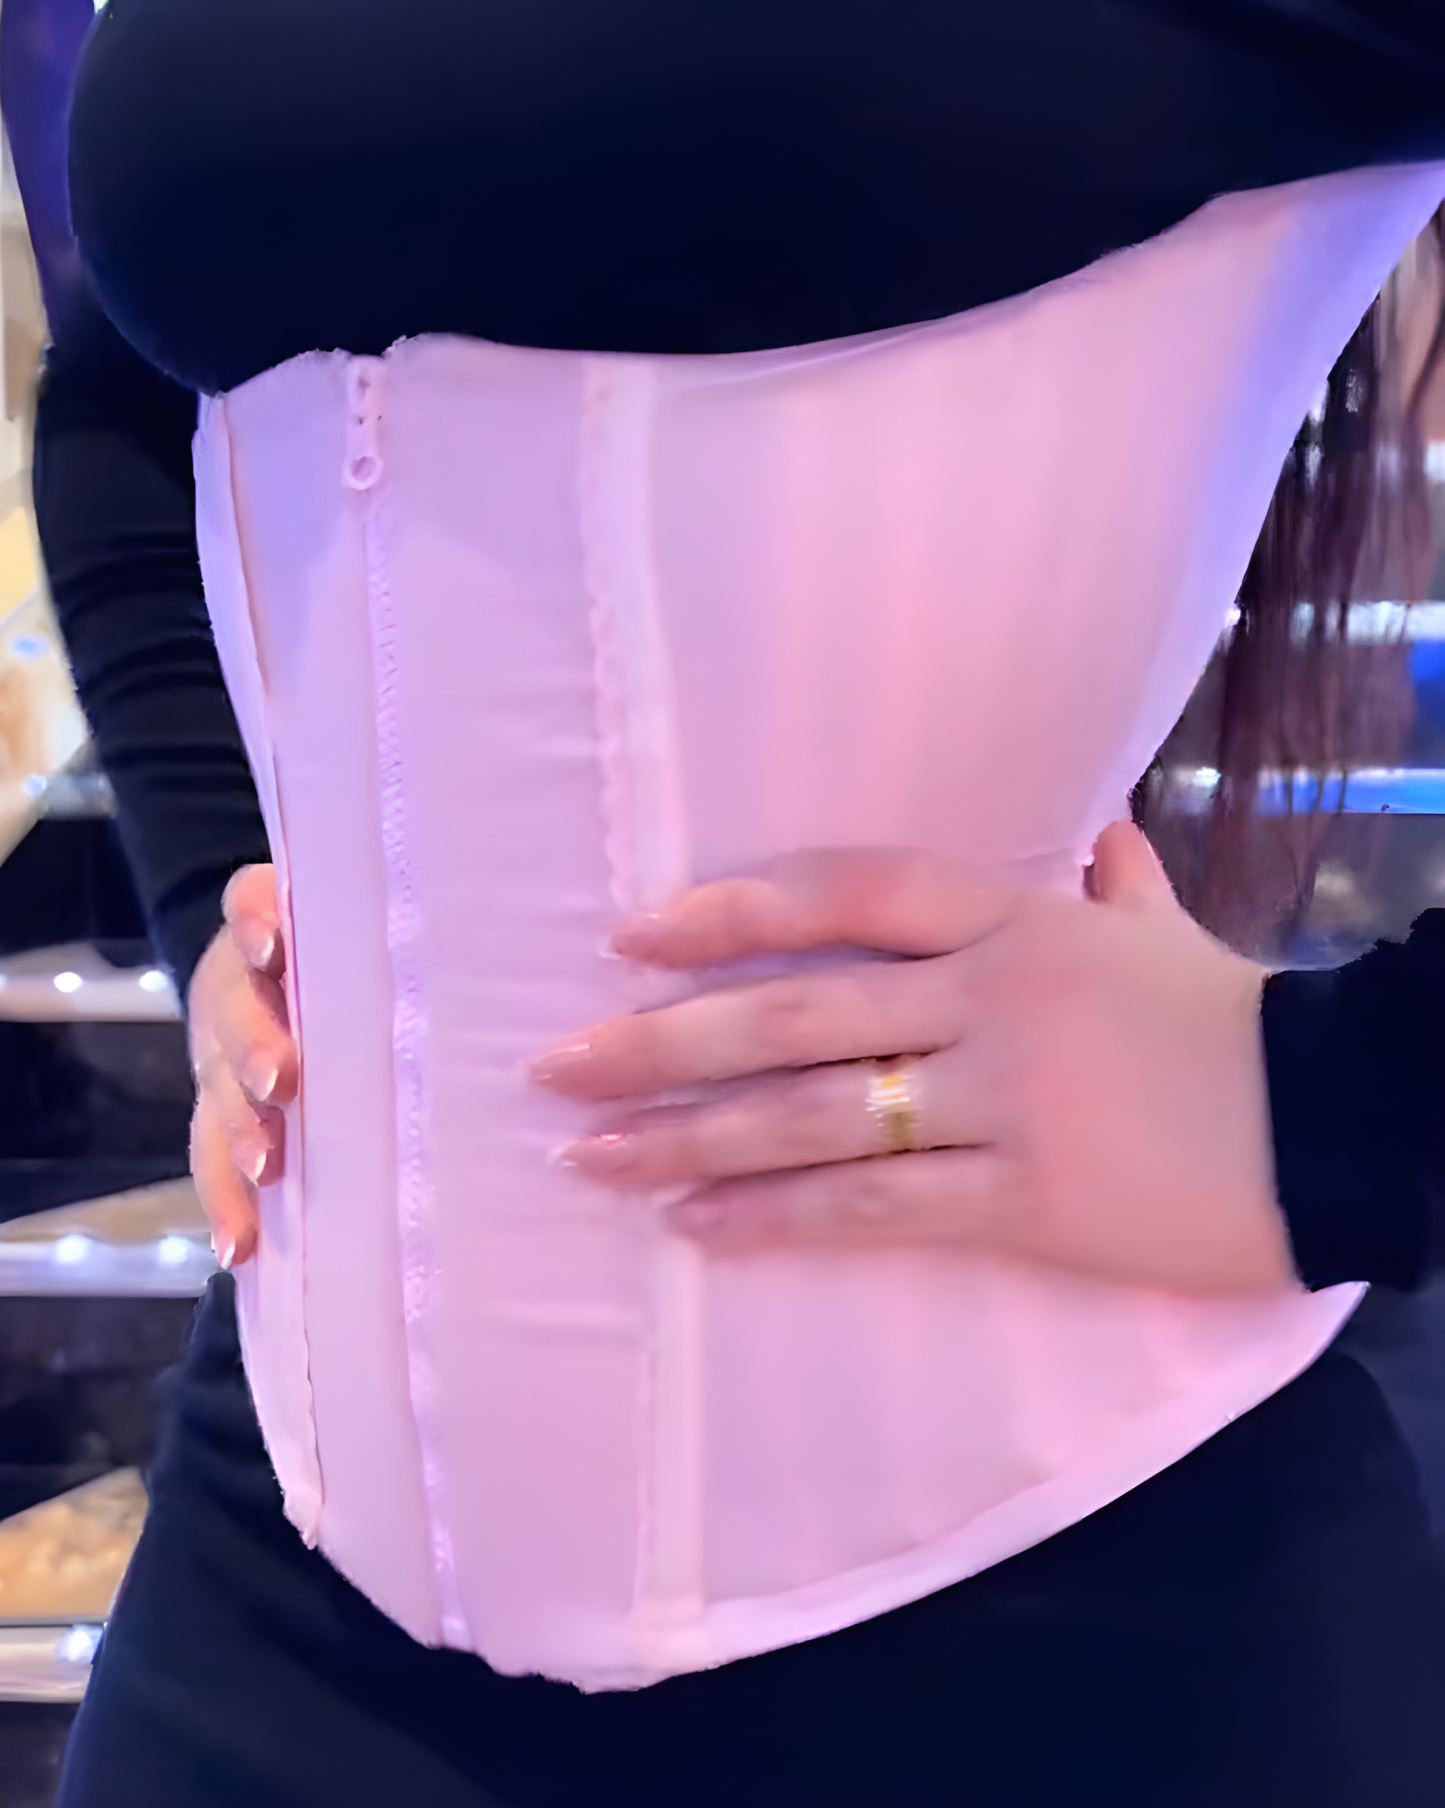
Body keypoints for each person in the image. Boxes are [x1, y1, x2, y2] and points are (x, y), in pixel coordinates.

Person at [11, 3, 1445, 1804]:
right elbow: (130, 399)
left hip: (1055, 1631)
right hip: (269, 1599)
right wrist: (232, 893)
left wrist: (1323, 1112)